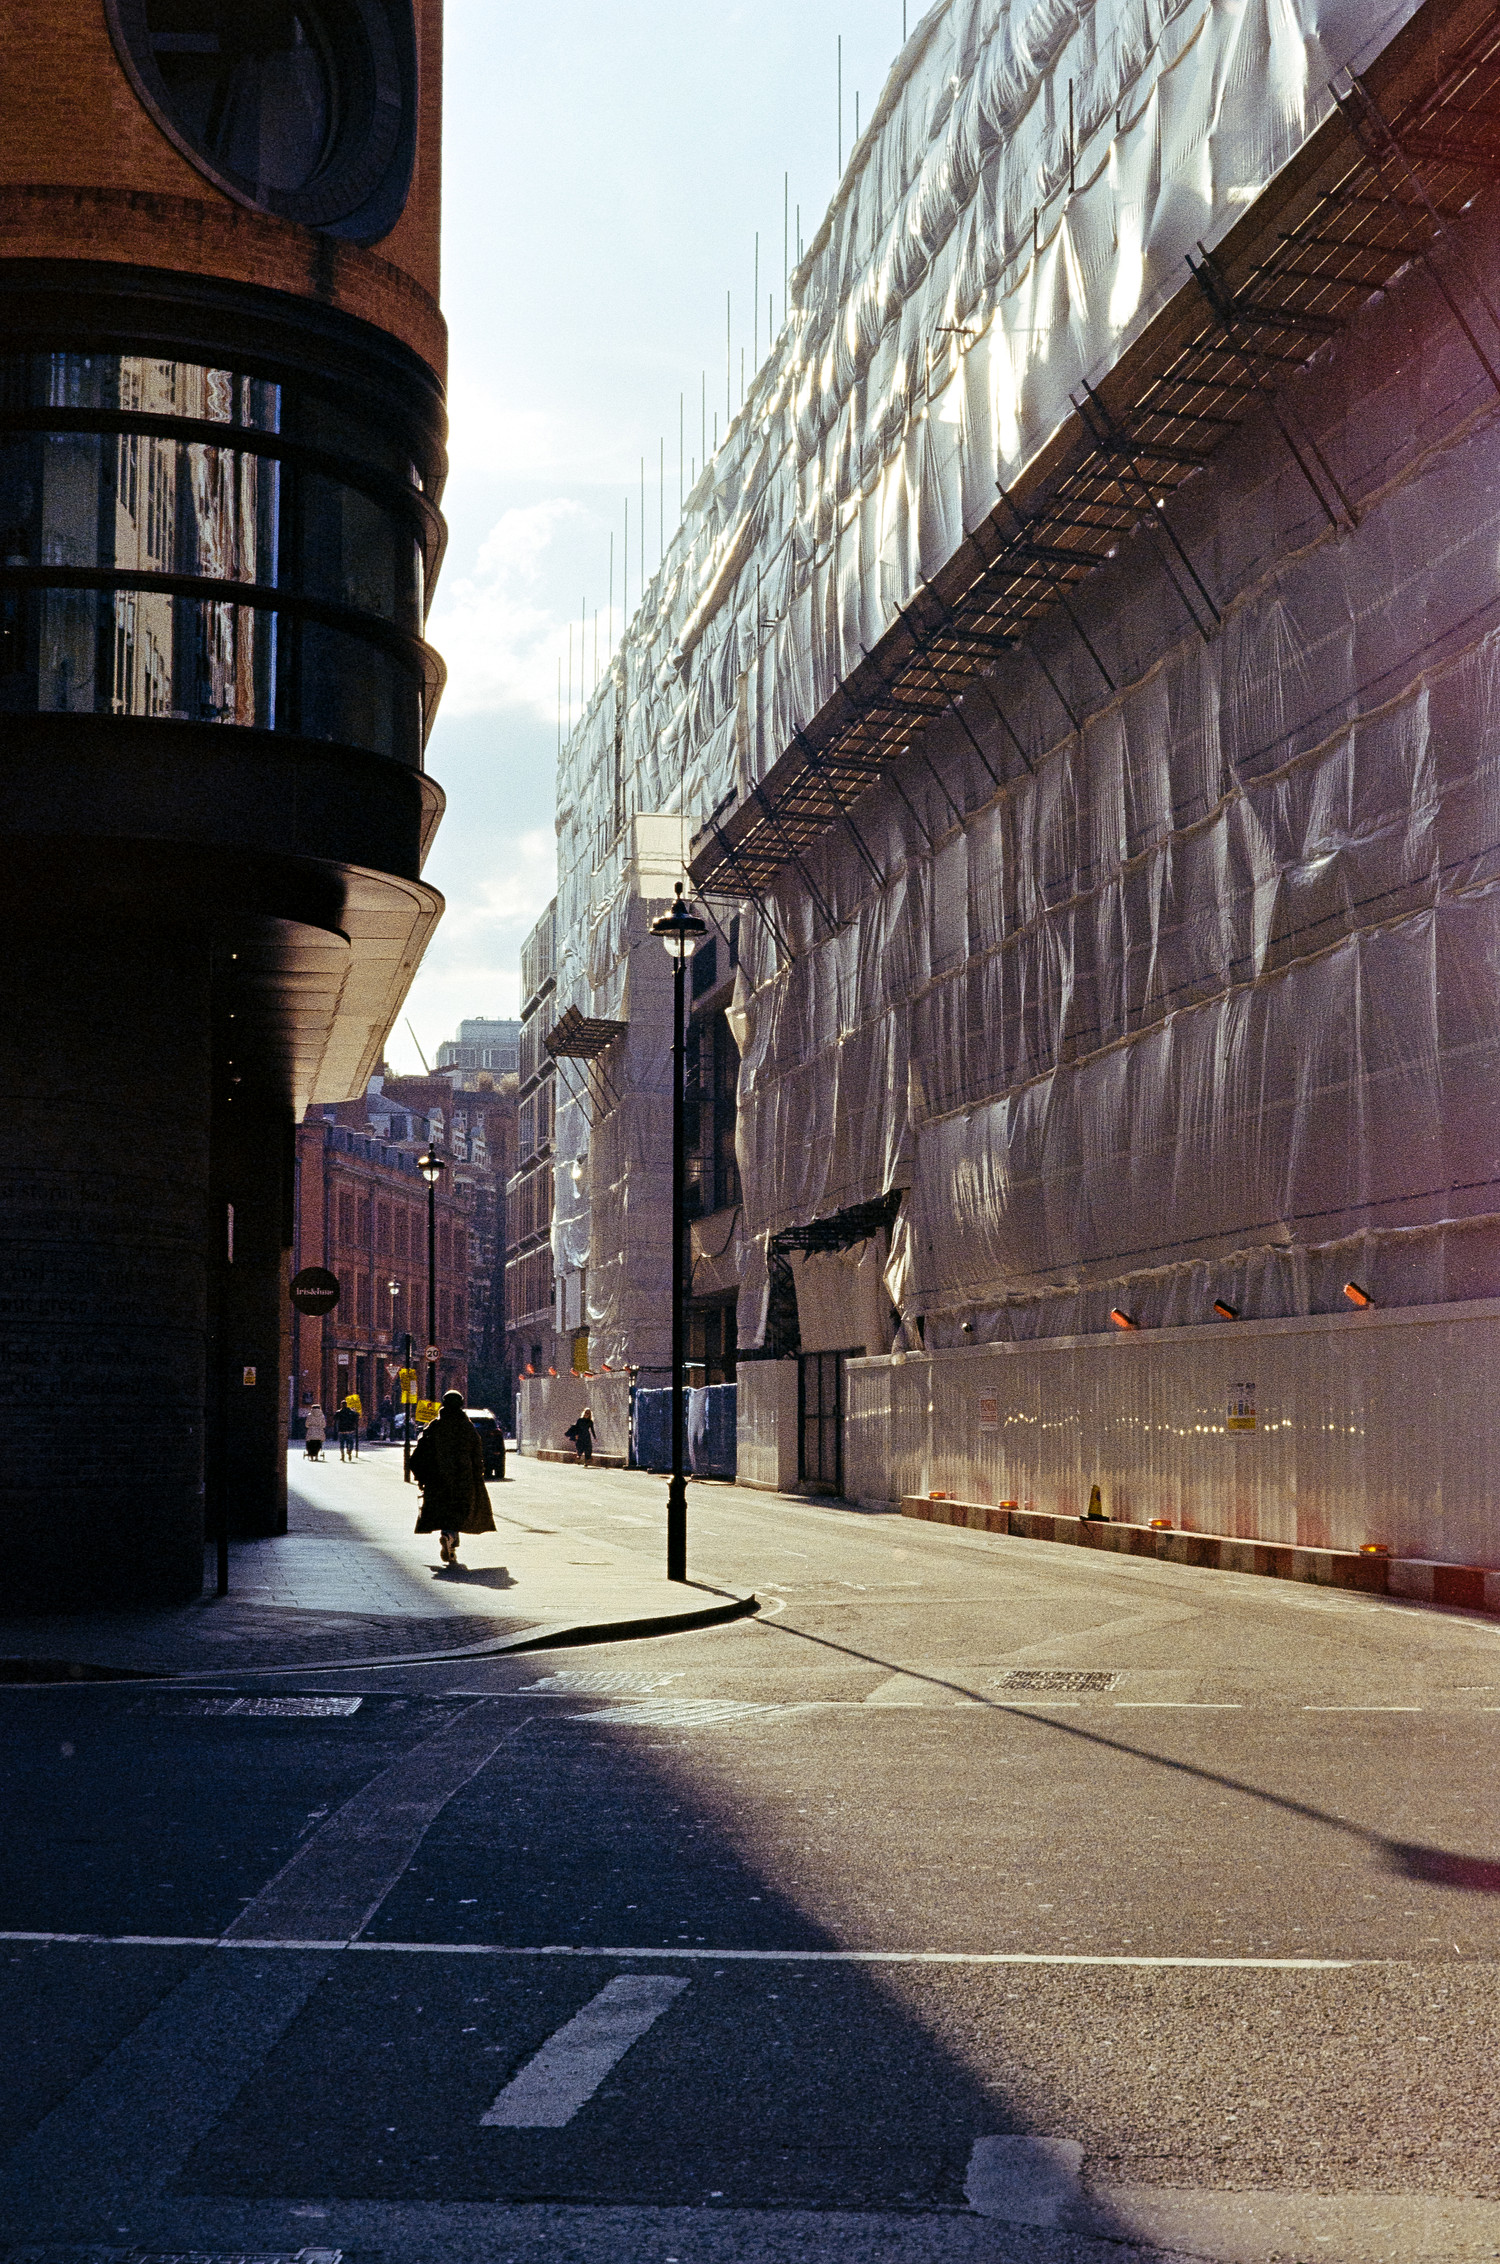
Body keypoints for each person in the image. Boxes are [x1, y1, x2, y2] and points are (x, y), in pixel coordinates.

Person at [411, 1391, 496, 1565]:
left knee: (443, 1508)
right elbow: (476, 1452)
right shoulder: (466, 1426)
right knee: (459, 1509)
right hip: (462, 1476)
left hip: (437, 1477)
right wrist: (479, 1473)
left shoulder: (435, 1426)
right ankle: (450, 1537)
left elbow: (419, 1454)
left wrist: (421, 1476)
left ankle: (448, 1537)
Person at [336, 1395, 359, 1461]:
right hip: (350, 1430)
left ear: (341, 1405)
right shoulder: (352, 1412)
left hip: (341, 1430)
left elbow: (335, 1419)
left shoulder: (339, 1412)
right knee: (350, 1442)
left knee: (342, 1444)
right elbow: (356, 1419)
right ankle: (349, 1452)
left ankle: (342, 1455)